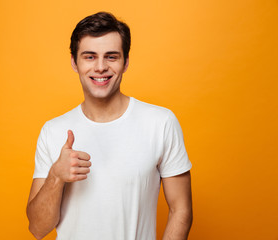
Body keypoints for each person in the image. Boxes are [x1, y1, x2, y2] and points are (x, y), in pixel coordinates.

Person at [26, 12, 193, 240]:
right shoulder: (53, 131)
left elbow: (180, 210)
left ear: (125, 63)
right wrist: (56, 176)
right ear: (75, 63)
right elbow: (37, 228)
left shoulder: (160, 123)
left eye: (111, 57)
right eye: (90, 57)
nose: (101, 67)